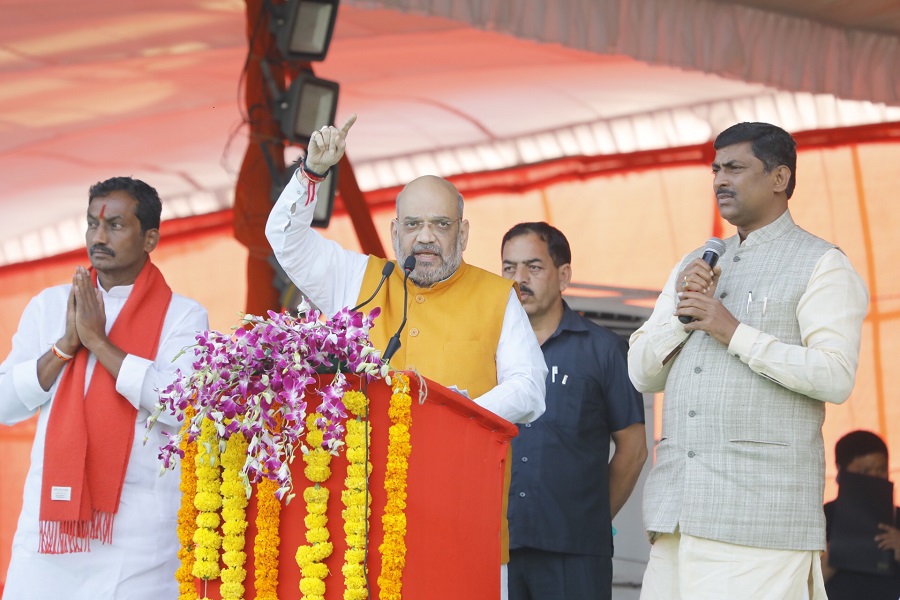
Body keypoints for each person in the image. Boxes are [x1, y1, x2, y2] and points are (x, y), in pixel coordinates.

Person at [265, 115, 547, 599]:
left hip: (461, 514)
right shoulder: (360, 278)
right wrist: (312, 173)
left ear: (463, 234)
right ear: (395, 231)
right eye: (413, 224)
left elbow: (529, 387)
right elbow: (286, 240)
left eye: (441, 225)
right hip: (363, 522)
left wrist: (459, 413)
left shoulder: (496, 296)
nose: (425, 238)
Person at [628, 122, 869, 599]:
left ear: (780, 178)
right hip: (677, 511)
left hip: (760, 517)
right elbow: (640, 373)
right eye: (715, 169)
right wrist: (684, 313)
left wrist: (733, 332)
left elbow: (836, 375)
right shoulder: (695, 262)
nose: (719, 179)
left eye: (735, 168)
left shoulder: (822, 263)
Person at [0, 177, 209, 599]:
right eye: (92, 225)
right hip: (48, 540)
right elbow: (5, 405)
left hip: (138, 543)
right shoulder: (49, 305)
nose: (98, 237)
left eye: (115, 225)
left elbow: (181, 407)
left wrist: (98, 342)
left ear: (150, 238)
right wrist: (64, 347)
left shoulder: (184, 317)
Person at [500, 222, 647, 600]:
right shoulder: (487, 349)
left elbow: (633, 449)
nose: (519, 279)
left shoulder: (604, 350)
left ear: (564, 275)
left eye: (533, 267)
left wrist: (591, 519)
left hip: (576, 550)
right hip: (496, 546)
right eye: (509, 268)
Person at [821, 430, 900, 599]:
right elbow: (802, 587)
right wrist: (832, 557)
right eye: (864, 471)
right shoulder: (821, 518)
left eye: (881, 470)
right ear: (841, 473)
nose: (874, 477)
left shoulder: (898, 517)